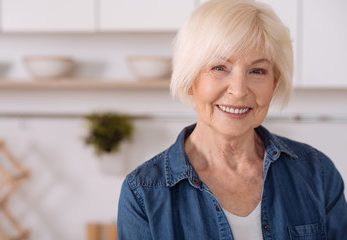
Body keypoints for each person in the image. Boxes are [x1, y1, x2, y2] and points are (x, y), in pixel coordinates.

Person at [117, 0, 347, 239]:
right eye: (219, 67)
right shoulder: (143, 192)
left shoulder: (317, 173)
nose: (238, 90)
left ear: (274, 82)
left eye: (257, 71)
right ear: (190, 80)